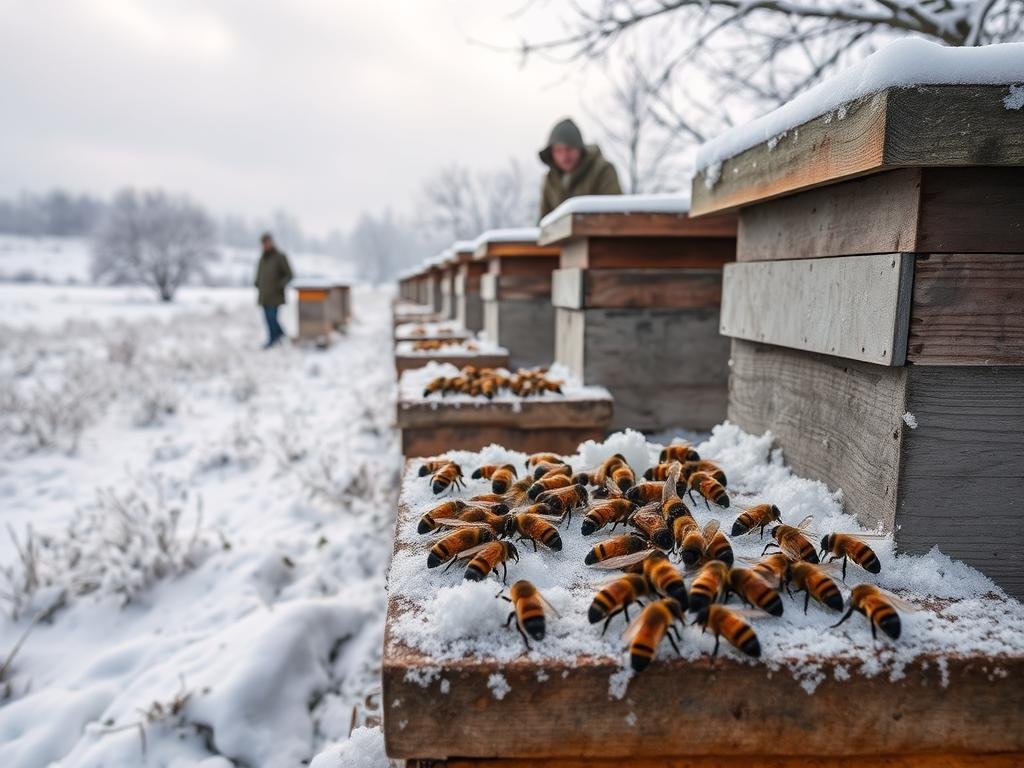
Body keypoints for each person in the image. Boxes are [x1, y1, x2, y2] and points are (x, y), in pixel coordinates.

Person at [538, 117, 622, 221]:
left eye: (569, 149)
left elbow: (615, 214)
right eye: (558, 150)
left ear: (579, 149)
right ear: (551, 153)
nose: (564, 156)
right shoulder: (550, 180)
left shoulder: (603, 171)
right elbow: (543, 222)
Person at [254, 232, 293, 348]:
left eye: (267, 242)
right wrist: (257, 282)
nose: (266, 245)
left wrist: (280, 285)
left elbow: (289, 275)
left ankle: (273, 339)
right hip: (264, 294)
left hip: (275, 295)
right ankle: (280, 335)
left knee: (272, 318)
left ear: (271, 242)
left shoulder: (280, 257)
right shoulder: (262, 258)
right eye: (263, 243)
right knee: (267, 318)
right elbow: (259, 273)